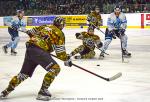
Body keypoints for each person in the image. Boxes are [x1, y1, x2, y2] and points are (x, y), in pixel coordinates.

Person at [0, 16, 72, 101]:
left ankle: (5, 91)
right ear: (62, 25)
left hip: (30, 48)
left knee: (23, 74)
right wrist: (67, 59)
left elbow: (31, 32)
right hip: (39, 51)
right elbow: (60, 53)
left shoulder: (45, 26)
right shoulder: (60, 33)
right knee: (55, 69)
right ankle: (42, 92)